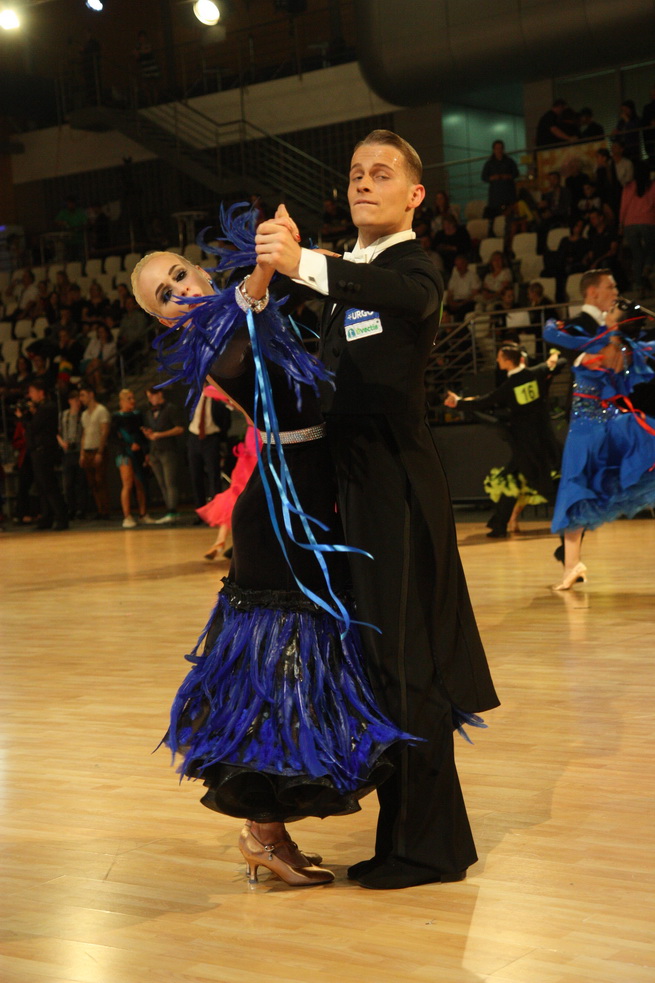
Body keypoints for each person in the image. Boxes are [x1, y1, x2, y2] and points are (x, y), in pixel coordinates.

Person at [256, 129, 499, 889]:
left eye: (382, 173)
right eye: (356, 172)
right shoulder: (349, 274)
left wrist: (303, 262)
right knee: (382, 665)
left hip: (396, 487)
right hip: (356, 490)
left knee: (407, 663)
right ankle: (407, 839)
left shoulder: (410, 265)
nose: (364, 182)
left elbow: (403, 297)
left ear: (414, 195)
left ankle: (428, 849)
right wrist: (272, 274)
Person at [132, 233, 413, 888]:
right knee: (277, 670)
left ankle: (268, 833)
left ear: (200, 271)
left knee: (299, 666)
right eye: (165, 296)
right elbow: (251, 299)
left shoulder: (238, 313)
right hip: (281, 514)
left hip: (304, 493)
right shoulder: (212, 336)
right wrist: (267, 268)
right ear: (164, 320)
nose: (180, 292)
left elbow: (269, 299)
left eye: (180, 275)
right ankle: (261, 829)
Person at [542, 269, 655, 589]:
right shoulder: (581, 326)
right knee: (576, 489)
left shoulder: (614, 333)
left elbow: (640, 347)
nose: (616, 292)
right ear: (593, 292)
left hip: (611, 419)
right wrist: (602, 346)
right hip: (587, 422)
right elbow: (561, 339)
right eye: (610, 287)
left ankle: (571, 563)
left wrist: (616, 339)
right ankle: (571, 564)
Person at [444, 345, 565, 538]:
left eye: (500, 357)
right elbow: (561, 362)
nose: (497, 360)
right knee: (512, 479)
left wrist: (458, 402)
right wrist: (553, 357)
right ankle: (499, 524)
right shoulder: (537, 372)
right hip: (542, 439)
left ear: (509, 361)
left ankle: (570, 516)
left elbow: (486, 400)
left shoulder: (511, 385)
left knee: (541, 485)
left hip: (526, 445)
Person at [196, 389, 259, 560]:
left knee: (241, 496)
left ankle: (225, 542)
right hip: (252, 453)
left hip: (258, 451)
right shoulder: (252, 400)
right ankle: (223, 541)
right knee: (236, 495)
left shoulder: (251, 399)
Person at [23, 380, 69, 531]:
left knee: (49, 485)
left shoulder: (48, 408)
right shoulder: (43, 408)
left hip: (44, 451)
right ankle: (46, 517)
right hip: (38, 451)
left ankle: (61, 517)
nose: (30, 395)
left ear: (41, 392)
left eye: (32, 392)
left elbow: (33, 427)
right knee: (42, 487)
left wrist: (25, 417)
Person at [142, 387, 184, 524]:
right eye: (148, 397)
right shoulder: (149, 412)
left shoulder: (171, 408)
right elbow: (152, 430)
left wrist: (160, 435)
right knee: (162, 483)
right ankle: (169, 510)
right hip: (154, 451)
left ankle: (173, 510)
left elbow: (179, 428)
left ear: (159, 394)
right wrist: (149, 434)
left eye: (152, 396)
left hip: (168, 449)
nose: (150, 399)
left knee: (170, 482)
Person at [113, 389, 151, 529]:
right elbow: (114, 438)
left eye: (133, 398)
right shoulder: (116, 417)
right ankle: (127, 516)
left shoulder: (138, 415)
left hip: (138, 452)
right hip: (124, 453)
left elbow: (142, 434)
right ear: (122, 401)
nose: (132, 401)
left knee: (140, 483)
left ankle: (143, 514)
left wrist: (145, 451)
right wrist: (129, 445)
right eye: (129, 398)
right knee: (127, 484)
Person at [619, 161, 655, 294]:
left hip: (630, 224)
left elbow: (623, 206)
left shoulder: (628, 186)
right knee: (652, 248)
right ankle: (647, 269)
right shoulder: (652, 185)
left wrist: (621, 224)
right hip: (648, 221)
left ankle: (639, 286)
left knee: (637, 255)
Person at [79, 384, 111, 520]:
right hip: (87, 450)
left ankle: (105, 509)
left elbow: (105, 431)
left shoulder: (101, 410)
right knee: (92, 482)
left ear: (91, 394)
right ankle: (99, 509)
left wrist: (100, 451)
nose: (81, 399)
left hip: (97, 449)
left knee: (100, 480)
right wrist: (82, 453)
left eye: (83, 395)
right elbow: (84, 434)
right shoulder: (84, 414)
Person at [57, 387, 87, 520]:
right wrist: (62, 442)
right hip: (67, 451)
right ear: (70, 401)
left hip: (79, 450)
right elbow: (57, 432)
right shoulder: (63, 415)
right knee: (68, 484)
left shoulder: (83, 415)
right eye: (75, 400)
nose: (78, 403)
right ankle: (71, 508)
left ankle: (81, 509)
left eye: (79, 400)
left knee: (81, 482)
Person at [480, 140, 519, 226]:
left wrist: (508, 176)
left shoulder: (509, 161)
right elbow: (483, 177)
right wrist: (492, 178)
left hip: (508, 193)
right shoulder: (489, 163)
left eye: (500, 148)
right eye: (497, 148)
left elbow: (516, 173)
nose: (499, 150)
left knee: (510, 216)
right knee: (495, 217)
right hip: (496, 195)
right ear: (494, 150)